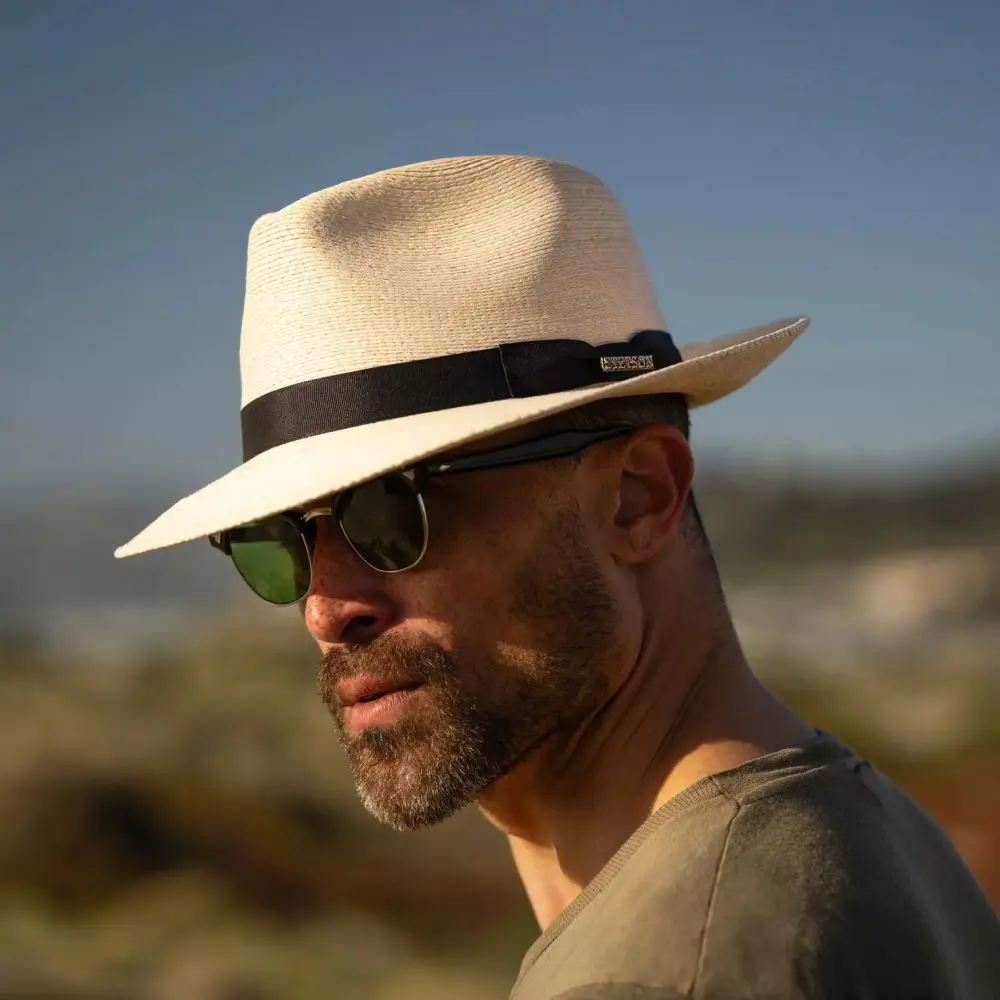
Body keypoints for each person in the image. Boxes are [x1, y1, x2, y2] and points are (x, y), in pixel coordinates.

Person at [116, 155, 1000, 999]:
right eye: (279, 538)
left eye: (391, 511)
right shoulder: (881, 834)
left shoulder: (664, 976)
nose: (324, 607)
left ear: (638, 496)